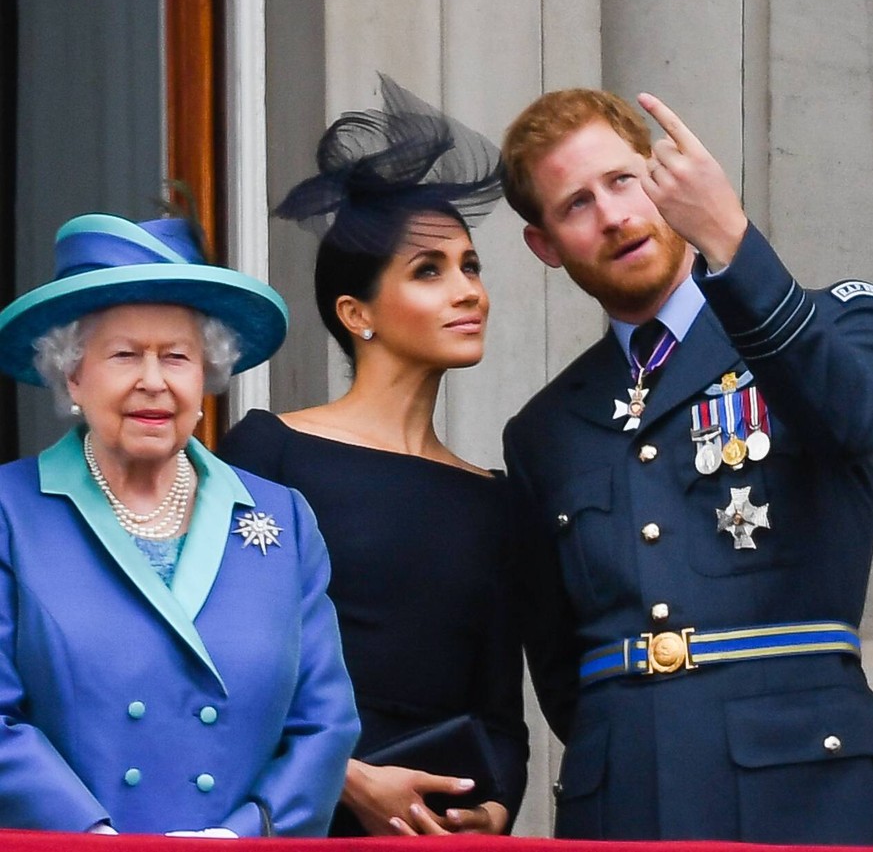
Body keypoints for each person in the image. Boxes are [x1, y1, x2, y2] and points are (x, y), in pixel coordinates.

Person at [499, 87, 873, 844]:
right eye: (574, 204)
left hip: (801, 788)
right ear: (545, 245)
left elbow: (855, 417)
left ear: (665, 177)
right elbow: (561, 668)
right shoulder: (542, 429)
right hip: (625, 793)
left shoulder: (826, 322)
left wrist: (731, 241)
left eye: (621, 180)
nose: (610, 215)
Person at [218, 75, 528, 837]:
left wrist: (491, 807)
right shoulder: (270, 450)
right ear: (357, 313)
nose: (467, 291)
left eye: (470, 265)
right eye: (429, 271)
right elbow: (216, 666)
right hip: (296, 818)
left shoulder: (492, 496)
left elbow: (500, 715)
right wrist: (347, 776)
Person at [0, 212, 359, 836]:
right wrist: (92, 840)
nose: (153, 382)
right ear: (73, 375)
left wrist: (240, 836)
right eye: (123, 355)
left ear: (206, 376)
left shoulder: (283, 519)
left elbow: (325, 723)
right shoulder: (10, 513)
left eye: (177, 357)